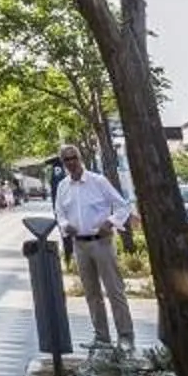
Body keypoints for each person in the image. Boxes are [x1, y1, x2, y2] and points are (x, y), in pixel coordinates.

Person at [54, 143, 136, 350]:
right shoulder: (63, 187)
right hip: (80, 244)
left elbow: (122, 205)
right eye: (66, 160)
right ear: (63, 163)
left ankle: (125, 336)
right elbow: (60, 214)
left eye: (74, 158)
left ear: (80, 158)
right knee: (91, 293)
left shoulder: (97, 181)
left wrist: (110, 222)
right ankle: (101, 337)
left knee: (114, 290)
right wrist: (66, 226)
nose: (71, 163)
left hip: (101, 242)